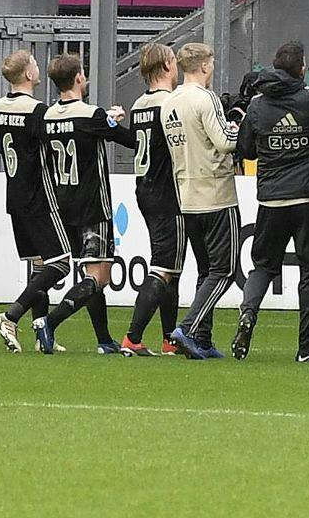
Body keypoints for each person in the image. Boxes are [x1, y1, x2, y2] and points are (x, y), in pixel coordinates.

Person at [233, 41, 309, 363]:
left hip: (272, 200)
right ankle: (306, 350)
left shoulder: (257, 106)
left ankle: (248, 313)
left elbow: (246, 150)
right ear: (302, 69)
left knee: (263, 266)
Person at [39, 54, 133, 355]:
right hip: (93, 205)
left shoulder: (48, 116)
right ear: (79, 78)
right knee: (98, 276)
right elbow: (128, 140)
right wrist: (115, 121)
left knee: (90, 273)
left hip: (62, 203)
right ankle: (49, 322)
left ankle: (104, 340)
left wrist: (105, 121)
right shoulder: (91, 115)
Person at [0, 51, 69, 355]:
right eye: (34, 63)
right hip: (39, 195)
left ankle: (41, 334)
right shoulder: (38, 110)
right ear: (29, 75)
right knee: (59, 264)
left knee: (38, 265)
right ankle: (11, 316)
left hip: (14, 195)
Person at [162, 42, 241, 359]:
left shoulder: (169, 102)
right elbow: (225, 142)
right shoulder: (205, 99)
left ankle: (203, 340)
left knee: (206, 269)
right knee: (225, 270)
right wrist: (241, 125)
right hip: (216, 193)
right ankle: (189, 328)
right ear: (205, 66)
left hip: (187, 194)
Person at [123, 41, 184, 354]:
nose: (177, 68)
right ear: (165, 66)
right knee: (163, 266)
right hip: (166, 191)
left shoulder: (138, 104)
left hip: (144, 188)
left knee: (171, 267)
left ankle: (169, 339)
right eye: (173, 61)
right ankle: (132, 338)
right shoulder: (170, 103)